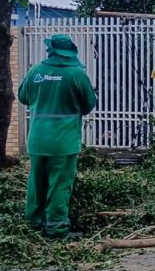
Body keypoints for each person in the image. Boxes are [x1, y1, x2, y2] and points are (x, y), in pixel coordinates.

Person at [18, 34, 96, 239]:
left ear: (50, 49)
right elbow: (89, 104)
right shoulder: (76, 74)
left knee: (36, 182)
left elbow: (23, 97)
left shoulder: (36, 71)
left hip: (37, 139)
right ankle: (56, 229)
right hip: (63, 141)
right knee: (60, 184)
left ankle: (32, 224)